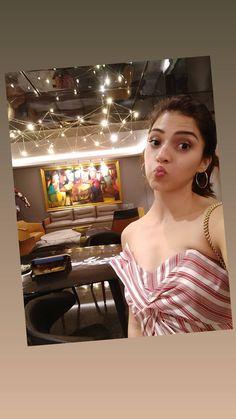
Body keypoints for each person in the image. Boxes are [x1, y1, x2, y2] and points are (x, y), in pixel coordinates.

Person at [110, 95, 233, 337]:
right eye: (155, 141)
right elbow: (136, 323)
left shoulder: (219, 222)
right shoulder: (130, 235)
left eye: (183, 145)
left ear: (203, 161)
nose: (162, 154)